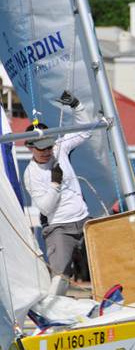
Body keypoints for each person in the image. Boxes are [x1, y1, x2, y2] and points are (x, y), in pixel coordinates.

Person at [23, 91, 93, 296]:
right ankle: (53, 310)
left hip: (84, 219)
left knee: (106, 260)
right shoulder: (31, 174)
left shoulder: (60, 148)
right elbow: (45, 207)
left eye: (49, 147)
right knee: (61, 274)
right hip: (59, 228)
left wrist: (77, 105)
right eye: (40, 148)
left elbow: (86, 131)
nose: (46, 152)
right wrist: (55, 183)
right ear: (29, 147)